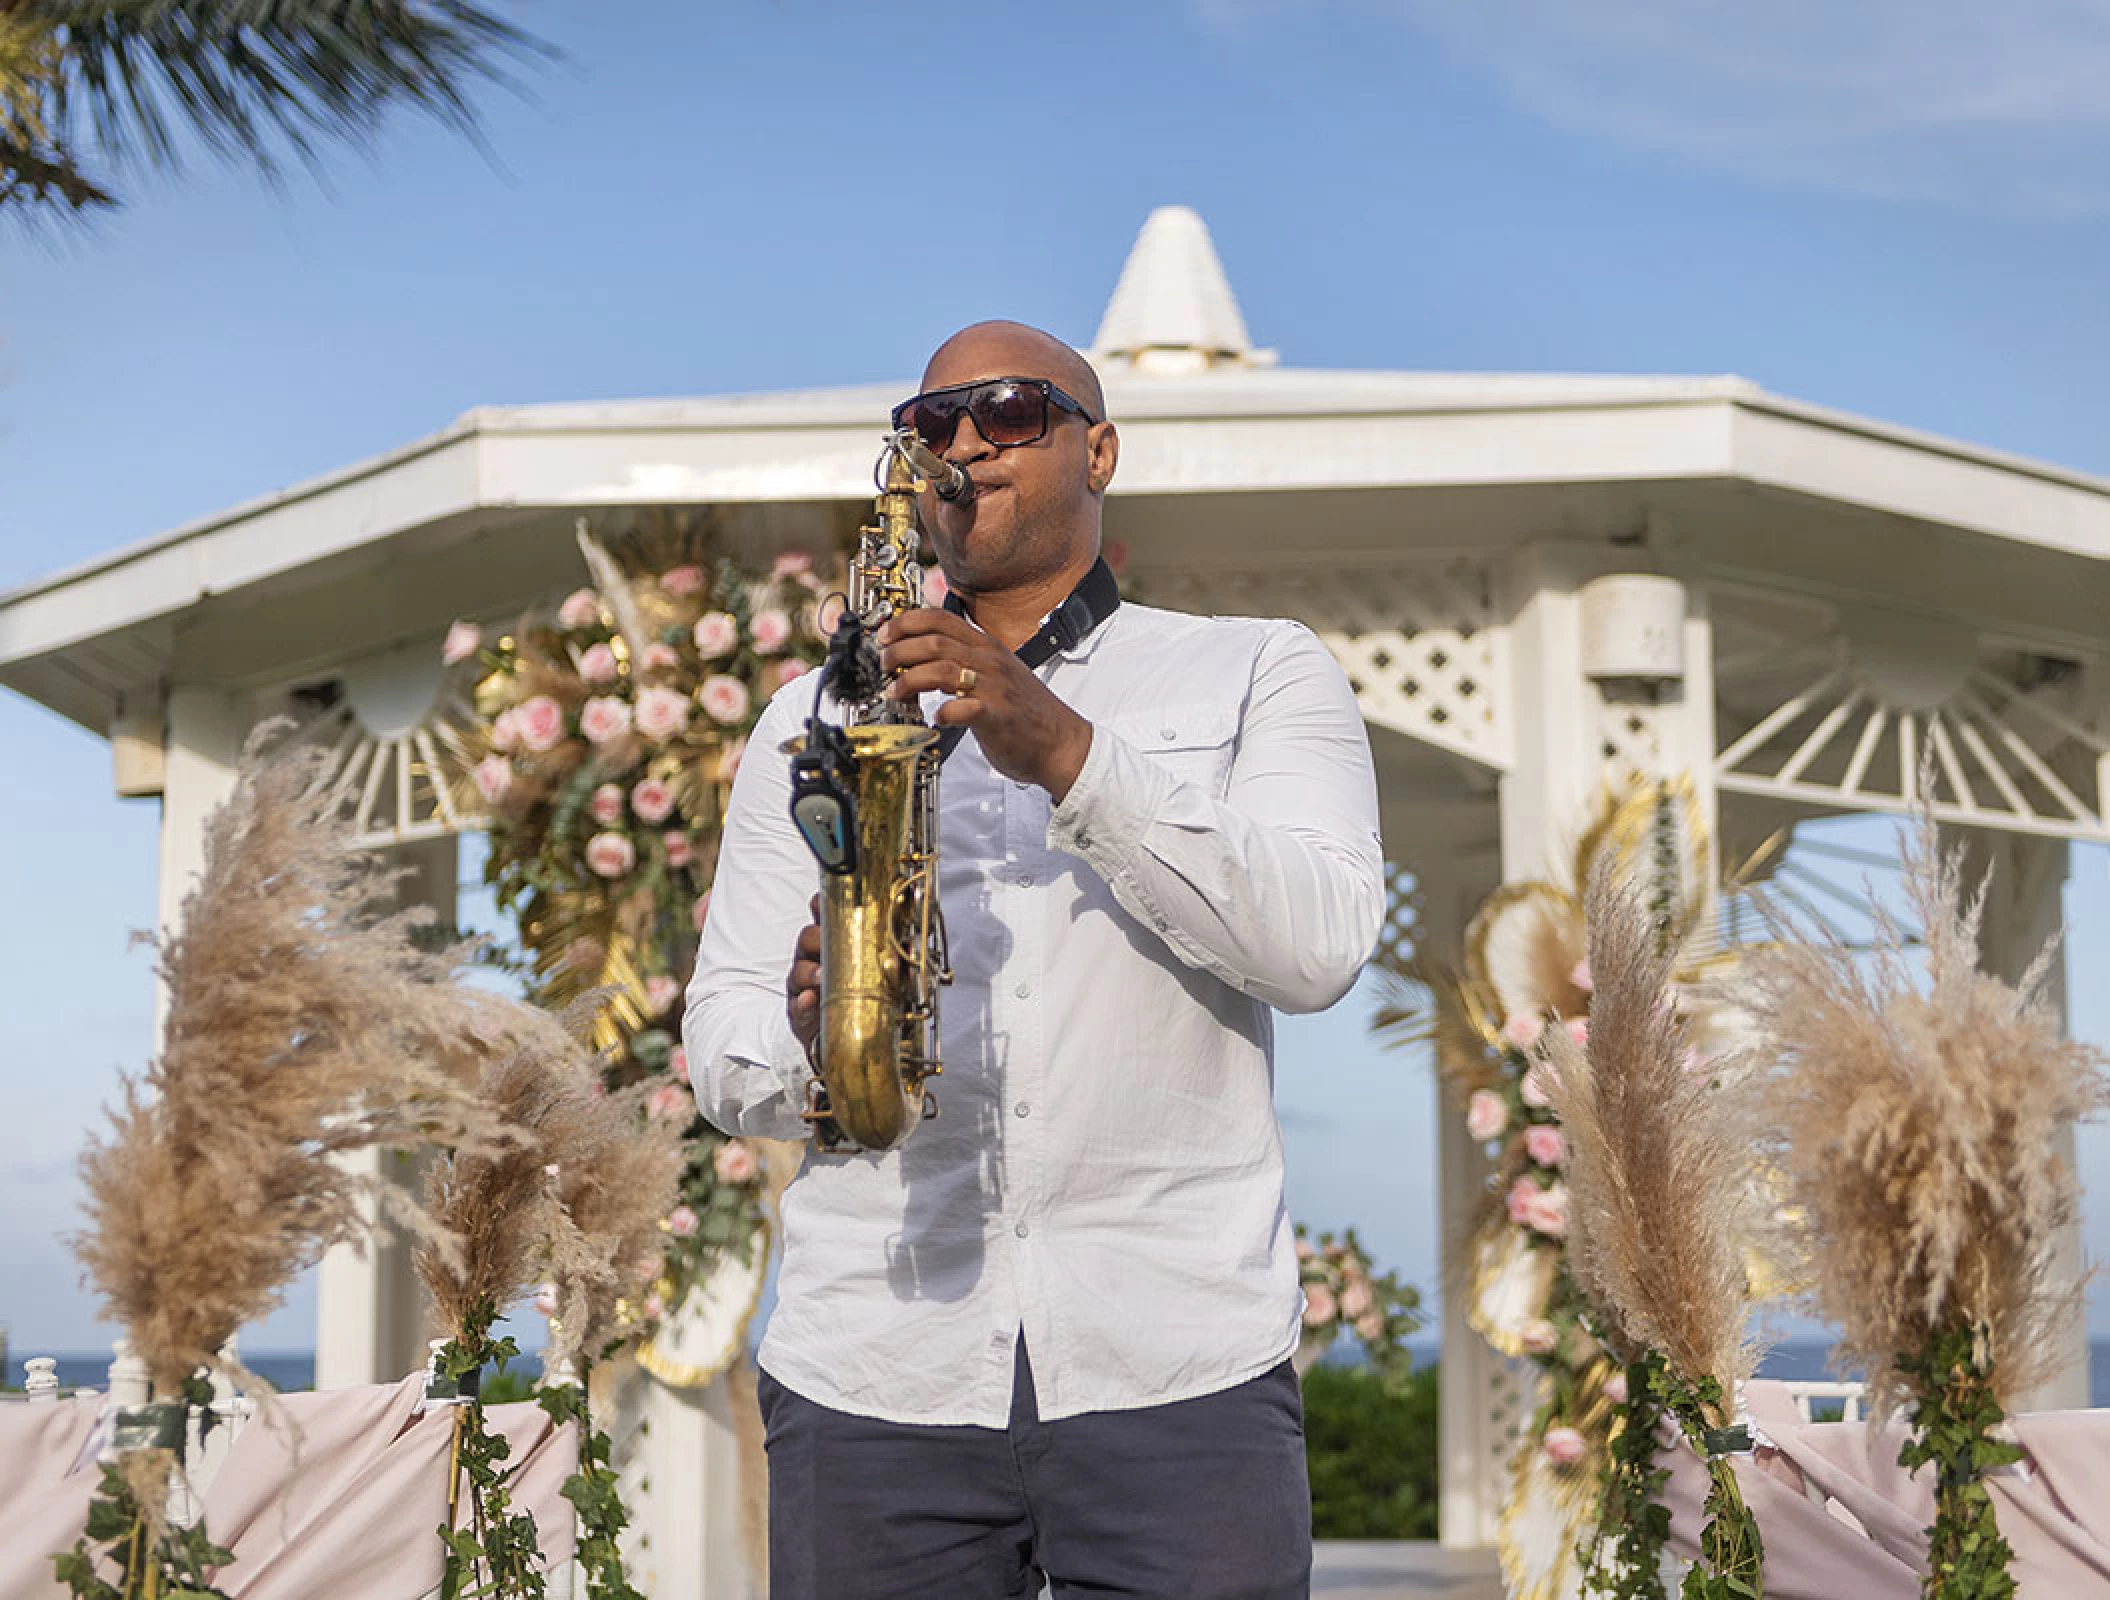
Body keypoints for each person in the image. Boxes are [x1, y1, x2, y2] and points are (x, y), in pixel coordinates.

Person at [685, 320, 1384, 1600]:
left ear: (1098, 447)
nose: (962, 442)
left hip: (1181, 1362)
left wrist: (1064, 747)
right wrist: (811, 1041)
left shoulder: (1252, 669)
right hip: (872, 1371)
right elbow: (720, 1035)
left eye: (1007, 411)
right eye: (933, 419)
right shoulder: (812, 714)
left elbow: (1319, 945)